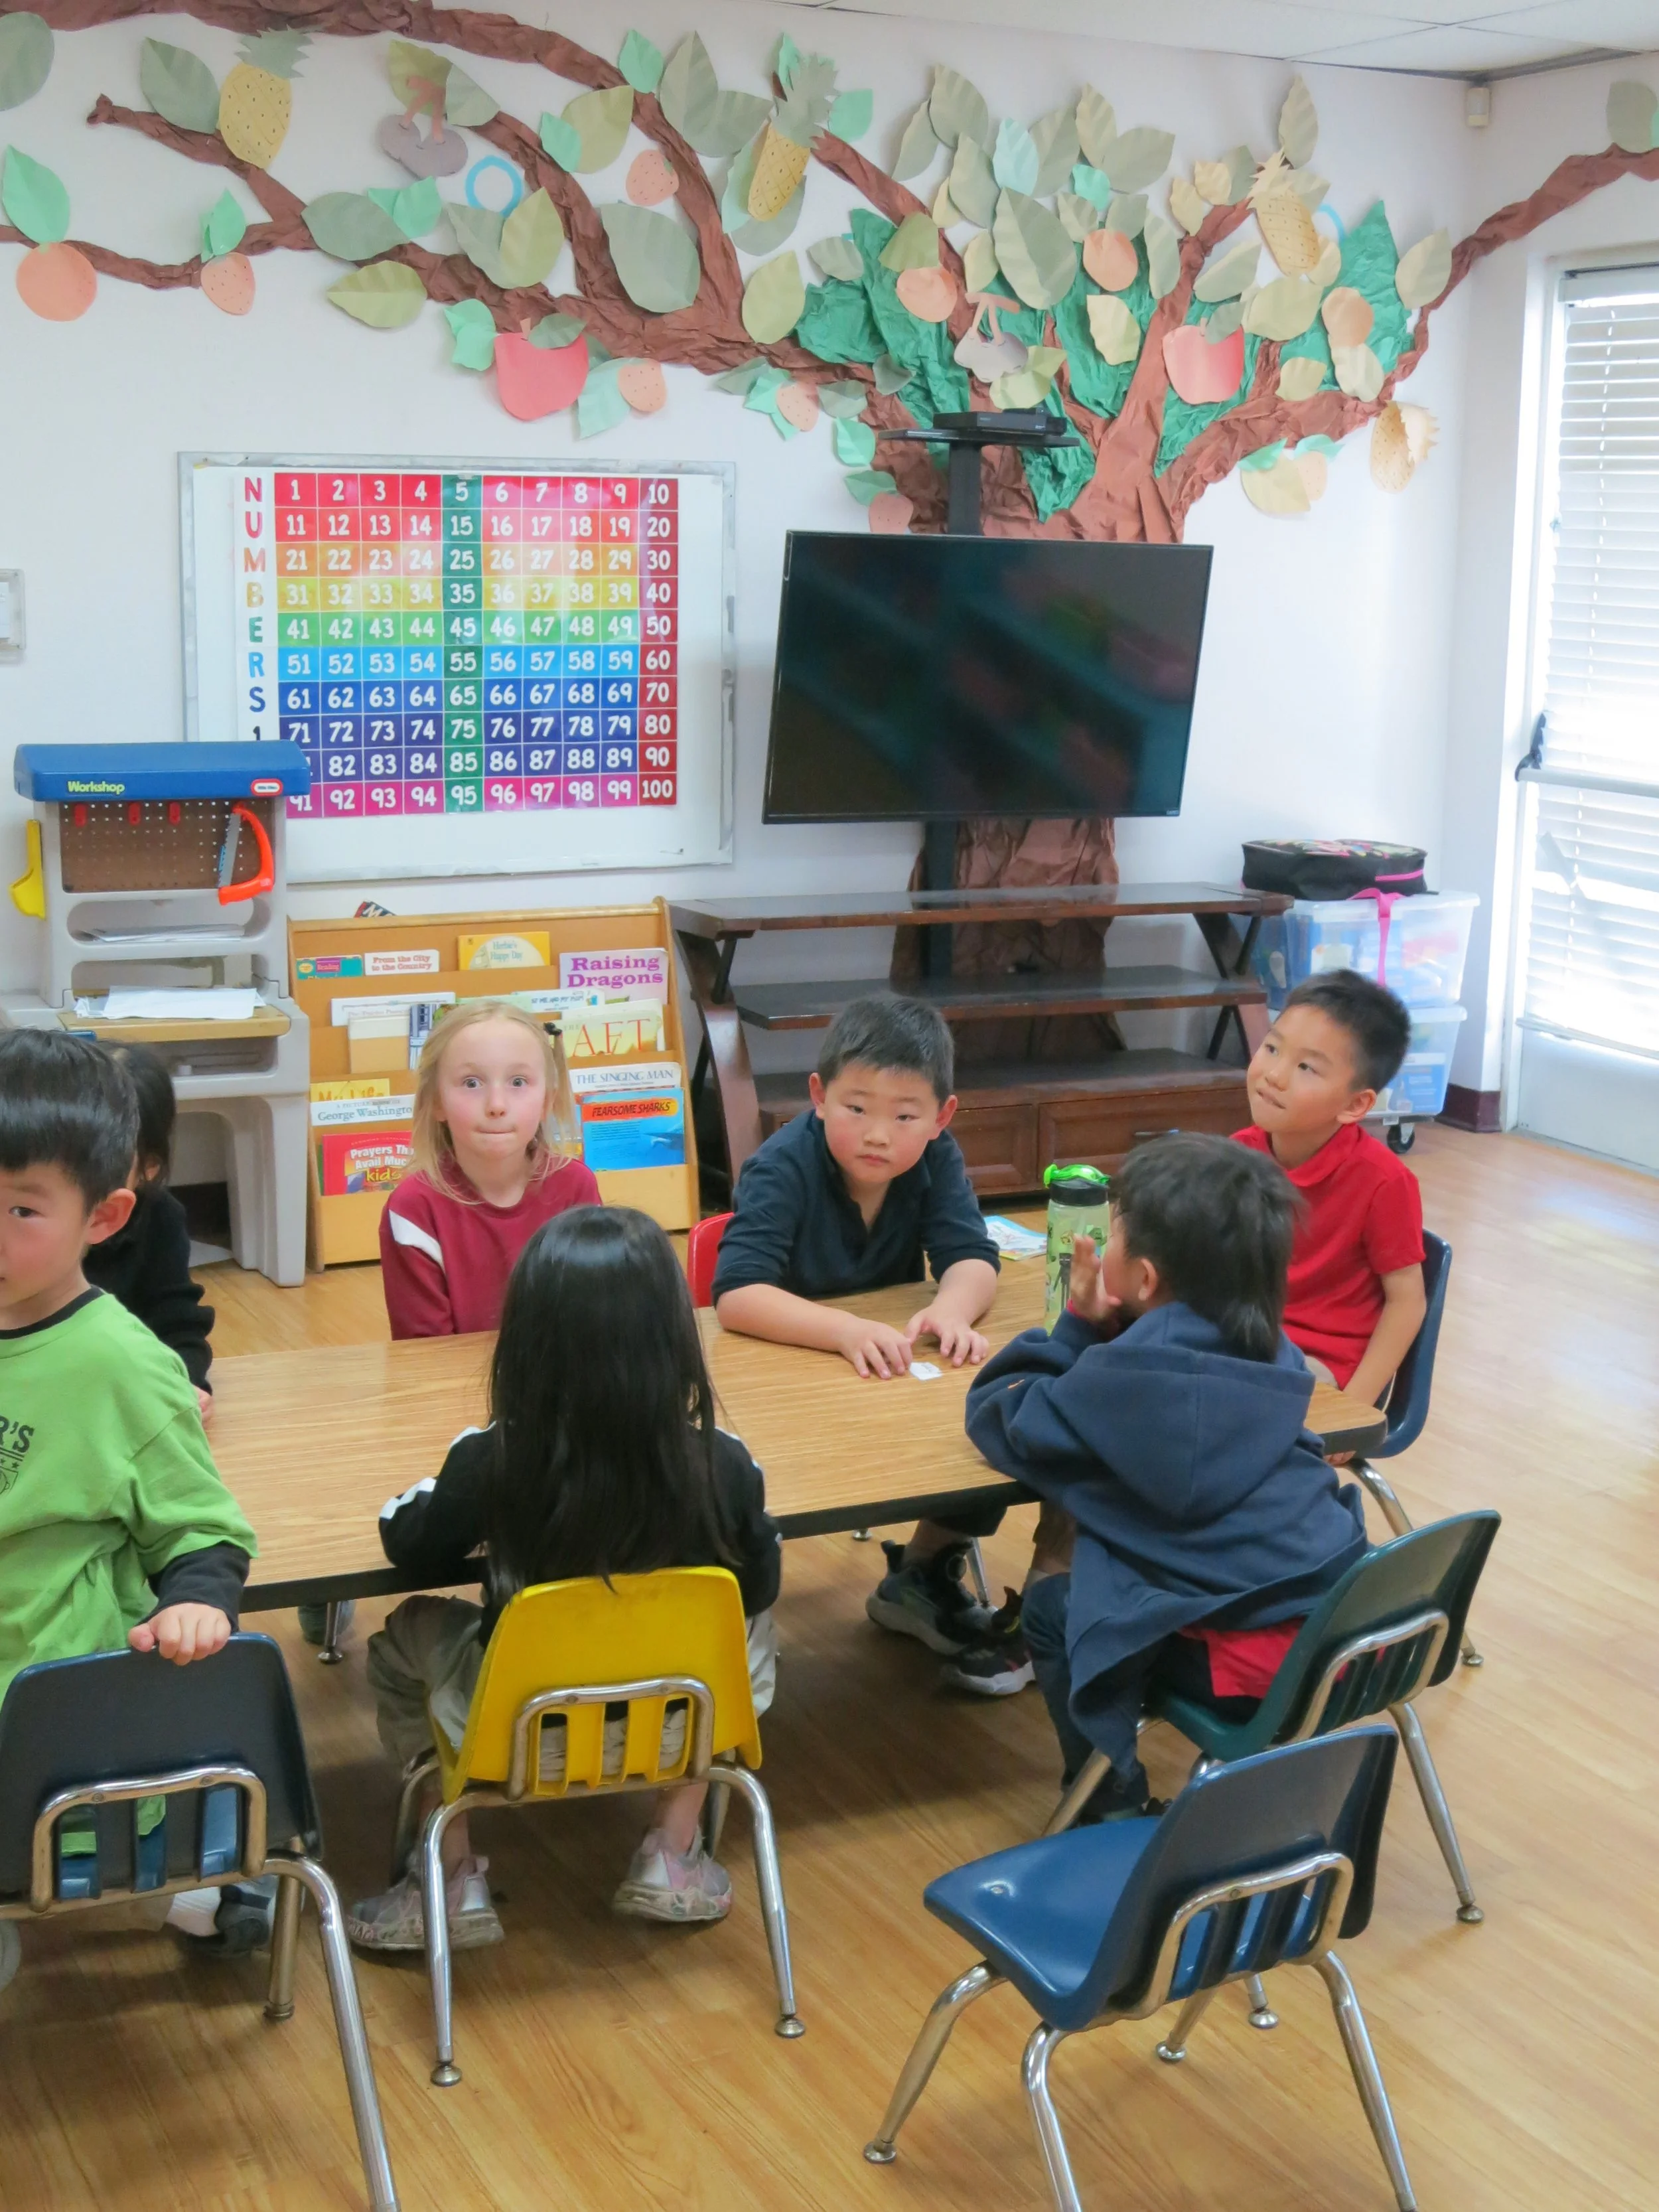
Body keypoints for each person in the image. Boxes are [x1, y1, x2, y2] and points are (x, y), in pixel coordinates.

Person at [348, 1207, 782, 1951]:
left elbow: (406, 1539)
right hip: (679, 1726)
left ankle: (448, 1877)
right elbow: (763, 1580)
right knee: (747, 1624)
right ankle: (672, 1851)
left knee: (401, 1638)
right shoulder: (725, 1462)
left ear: (525, 1343)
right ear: (675, 1339)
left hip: (519, 1736)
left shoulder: (493, 1459)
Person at [966, 1134, 1369, 1820]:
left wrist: (1077, 1328)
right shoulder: (1278, 1353)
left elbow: (1000, 1414)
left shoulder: (1121, 1381)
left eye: (1114, 1230)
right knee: (1121, 1556)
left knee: (1053, 1607)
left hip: (1249, 1670)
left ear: (1143, 1280)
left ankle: (1106, 1800)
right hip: (1340, 1632)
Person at [0, 1031, 259, 1980]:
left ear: (104, 1216)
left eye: (22, 1208)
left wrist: (198, 1598)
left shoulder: (123, 1366)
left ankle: (185, 1886)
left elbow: (203, 1528)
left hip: (48, 1711)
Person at [711, 996, 1001, 1657]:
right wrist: (843, 1331)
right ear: (818, 1096)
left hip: (884, 1374)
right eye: (856, 1108)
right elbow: (737, 1293)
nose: (878, 1135)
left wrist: (952, 1308)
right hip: (784, 1384)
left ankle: (925, 1569)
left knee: (989, 1426)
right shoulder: (781, 1168)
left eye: (904, 1116)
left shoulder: (936, 1158)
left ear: (940, 1118)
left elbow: (972, 1258)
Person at [1233, 970, 1427, 1411]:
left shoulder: (1383, 1182)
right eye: (1272, 1048)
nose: (1274, 1075)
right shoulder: (1238, 1153)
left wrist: (1354, 1407)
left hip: (1319, 1370)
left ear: (1356, 1104)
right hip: (1245, 1344)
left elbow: (1407, 1302)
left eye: (1306, 1067)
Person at [380, 997, 601, 1339]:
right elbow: (424, 1356)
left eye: (517, 1082)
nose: (496, 1105)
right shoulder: (414, 1209)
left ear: (547, 1100)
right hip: (454, 1386)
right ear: (437, 1101)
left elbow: (592, 1325)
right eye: (471, 1083)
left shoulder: (575, 1188)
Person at [84, 1043, 215, 1422]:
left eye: (104, 1157)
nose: (79, 1170)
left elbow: (179, 1325)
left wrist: (186, 1383)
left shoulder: (159, 1218)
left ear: (149, 1167)